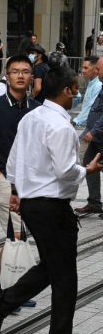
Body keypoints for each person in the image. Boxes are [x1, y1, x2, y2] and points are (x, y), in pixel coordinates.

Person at [0, 65, 103, 334]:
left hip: (34, 204)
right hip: (51, 207)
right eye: (76, 89)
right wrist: (87, 170)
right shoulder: (60, 126)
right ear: (66, 91)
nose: (77, 93)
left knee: (51, 267)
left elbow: (15, 159)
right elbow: (64, 171)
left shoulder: (32, 117)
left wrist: (18, 192)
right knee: (65, 280)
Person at [0, 54, 39, 277]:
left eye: (25, 72)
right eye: (15, 72)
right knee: (16, 234)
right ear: (7, 76)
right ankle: (7, 293)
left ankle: (14, 288)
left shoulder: (37, 109)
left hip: (29, 183)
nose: (20, 76)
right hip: (3, 180)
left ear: (32, 76)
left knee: (20, 233)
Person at [77, 56, 103, 215]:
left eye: (99, 69)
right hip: (96, 135)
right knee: (88, 163)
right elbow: (95, 110)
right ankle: (94, 202)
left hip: (99, 134)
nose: (97, 72)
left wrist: (93, 131)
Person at [74, 56, 100, 130]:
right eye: (83, 68)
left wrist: (75, 121)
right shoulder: (91, 83)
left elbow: (91, 107)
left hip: (95, 128)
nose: (82, 71)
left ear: (95, 69)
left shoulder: (98, 85)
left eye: (86, 68)